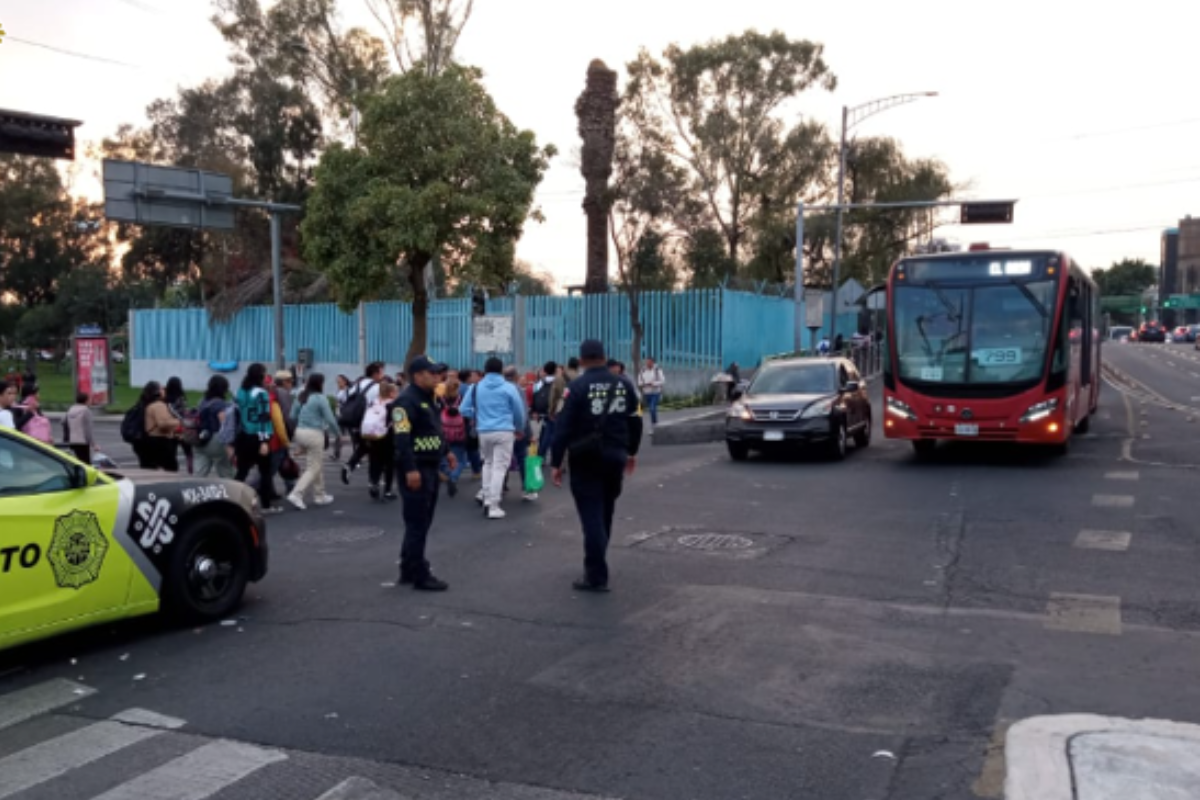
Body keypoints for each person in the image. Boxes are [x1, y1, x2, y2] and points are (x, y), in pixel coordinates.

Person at [551, 339, 643, 592]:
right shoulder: (624, 385)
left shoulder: (577, 387)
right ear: (605, 357)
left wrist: (556, 462)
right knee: (606, 511)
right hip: (616, 456)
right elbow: (636, 422)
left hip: (585, 458)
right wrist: (631, 452)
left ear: (581, 361)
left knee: (591, 514)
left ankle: (595, 574)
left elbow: (563, 428)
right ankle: (597, 562)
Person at [394, 356, 455, 592]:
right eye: (432, 373)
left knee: (421, 521)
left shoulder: (428, 398)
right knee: (417, 522)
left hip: (430, 465)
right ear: (418, 376)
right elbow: (402, 438)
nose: (438, 377)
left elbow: (433, 429)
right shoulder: (404, 402)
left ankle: (408, 567)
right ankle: (420, 574)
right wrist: (410, 468)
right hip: (416, 468)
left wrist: (446, 451)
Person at [461, 357, 526, 520]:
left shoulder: (475, 387)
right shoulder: (509, 387)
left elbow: (463, 409)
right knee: (500, 467)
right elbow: (518, 411)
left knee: (488, 463)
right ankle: (493, 504)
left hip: (483, 430)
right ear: (501, 370)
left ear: (485, 369)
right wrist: (519, 428)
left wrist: (476, 416)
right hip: (504, 430)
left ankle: (487, 497)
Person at [235, 363, 282, 515]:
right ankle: (266, 505)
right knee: (265, 472)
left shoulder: (240, 392)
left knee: (242, 471)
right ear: (260, 375)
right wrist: (264, 441)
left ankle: (233, 499)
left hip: (243, 435)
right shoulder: (261, 393)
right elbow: (264, 417)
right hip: (258, 436)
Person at [289, 372, 340, 509]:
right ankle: (297, 493)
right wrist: (338, 433)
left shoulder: (301, 397)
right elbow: (330, 418)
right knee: (314, 466)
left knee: (315, 463)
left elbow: (292, 415)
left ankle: (320, 495)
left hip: (300, 432)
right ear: (320, 384)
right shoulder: (320, 398)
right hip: (314, 433)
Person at [342, 362, 386, 483]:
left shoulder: (357, 385)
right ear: (375, 373)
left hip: (355, 423)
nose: (383, 374)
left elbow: (346, 400)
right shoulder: (378, 387)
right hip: (371, 424)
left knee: (364, 447)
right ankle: (373, 482)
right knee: (376, 453)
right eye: (382, 372)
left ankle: (350, 465)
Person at [503, 365, 538, 502]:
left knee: (501, 459)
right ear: (516, 376)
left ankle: (498, 487)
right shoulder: (517, 389)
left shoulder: (498, 388)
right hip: (517, 429)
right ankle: (527, 489)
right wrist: (528, 433)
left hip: (500, 429)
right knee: (522, 457)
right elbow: (522, 412)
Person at [364, 380, 399, 501]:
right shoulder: (393, 405)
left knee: (375, 461)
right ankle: (387, 490)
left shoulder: (373, 402)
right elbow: (397, 423)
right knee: (389, 464)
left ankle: (374, 483)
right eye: (396, 392)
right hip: (388, 437)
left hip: (373, 436)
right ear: (391, 393)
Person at [195, 375, 234, 478]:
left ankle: (195, 490)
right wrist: (229, 445)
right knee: (225, 469)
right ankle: (229, 491)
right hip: (215, 440)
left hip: (199, 439)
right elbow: (224, 424)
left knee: (200, 473)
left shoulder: (202, 401)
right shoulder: (220, 404)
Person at [438, 375, 469, 497]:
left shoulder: (440, 399)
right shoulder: (461, 399)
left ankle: (447, 474)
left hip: (444, 432)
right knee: (461, 459)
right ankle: (454, 477)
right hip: (459, 432)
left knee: (444, 456)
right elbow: (467, 415)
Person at [140, 381, 180, 471]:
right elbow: (163, 424)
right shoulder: (158, 406)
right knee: (171, 470)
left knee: (151, 469)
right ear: (157, 392)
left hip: (150, 440)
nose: (164, 391)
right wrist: (179, 422)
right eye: (162, 389)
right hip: (161, 441)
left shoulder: (146, 404)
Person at [164, 377, 194, 474]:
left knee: (172, 452)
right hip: (181, 427)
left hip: (170, 428)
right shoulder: (181, 398)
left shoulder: (165, 399)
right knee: (188, 452)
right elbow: (184, 412)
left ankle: (172, 471)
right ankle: (190, 470)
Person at [65, 391, 96, 464]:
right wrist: (93, 443)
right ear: (86, 400)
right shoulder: (85, 410)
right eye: (89, 399)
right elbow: (88, 429)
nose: (90, 401)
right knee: (86, 462)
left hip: (72, 440)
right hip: (82, 440)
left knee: (78, 461)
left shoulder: (71, 409)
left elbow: (63, 421)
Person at [637, 356, 665, 429]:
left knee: (652, 409)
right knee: (639, 409)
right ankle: (637, 425)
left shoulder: (657, 370)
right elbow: (639, 382)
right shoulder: (642, 370)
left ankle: (654, 424)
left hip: (655, 393)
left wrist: (654, 383)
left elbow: (662, 381)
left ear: (653, 362)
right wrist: (644, 384)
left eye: (650, 362)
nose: (648, 363)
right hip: (646, 393)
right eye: (647, 362)